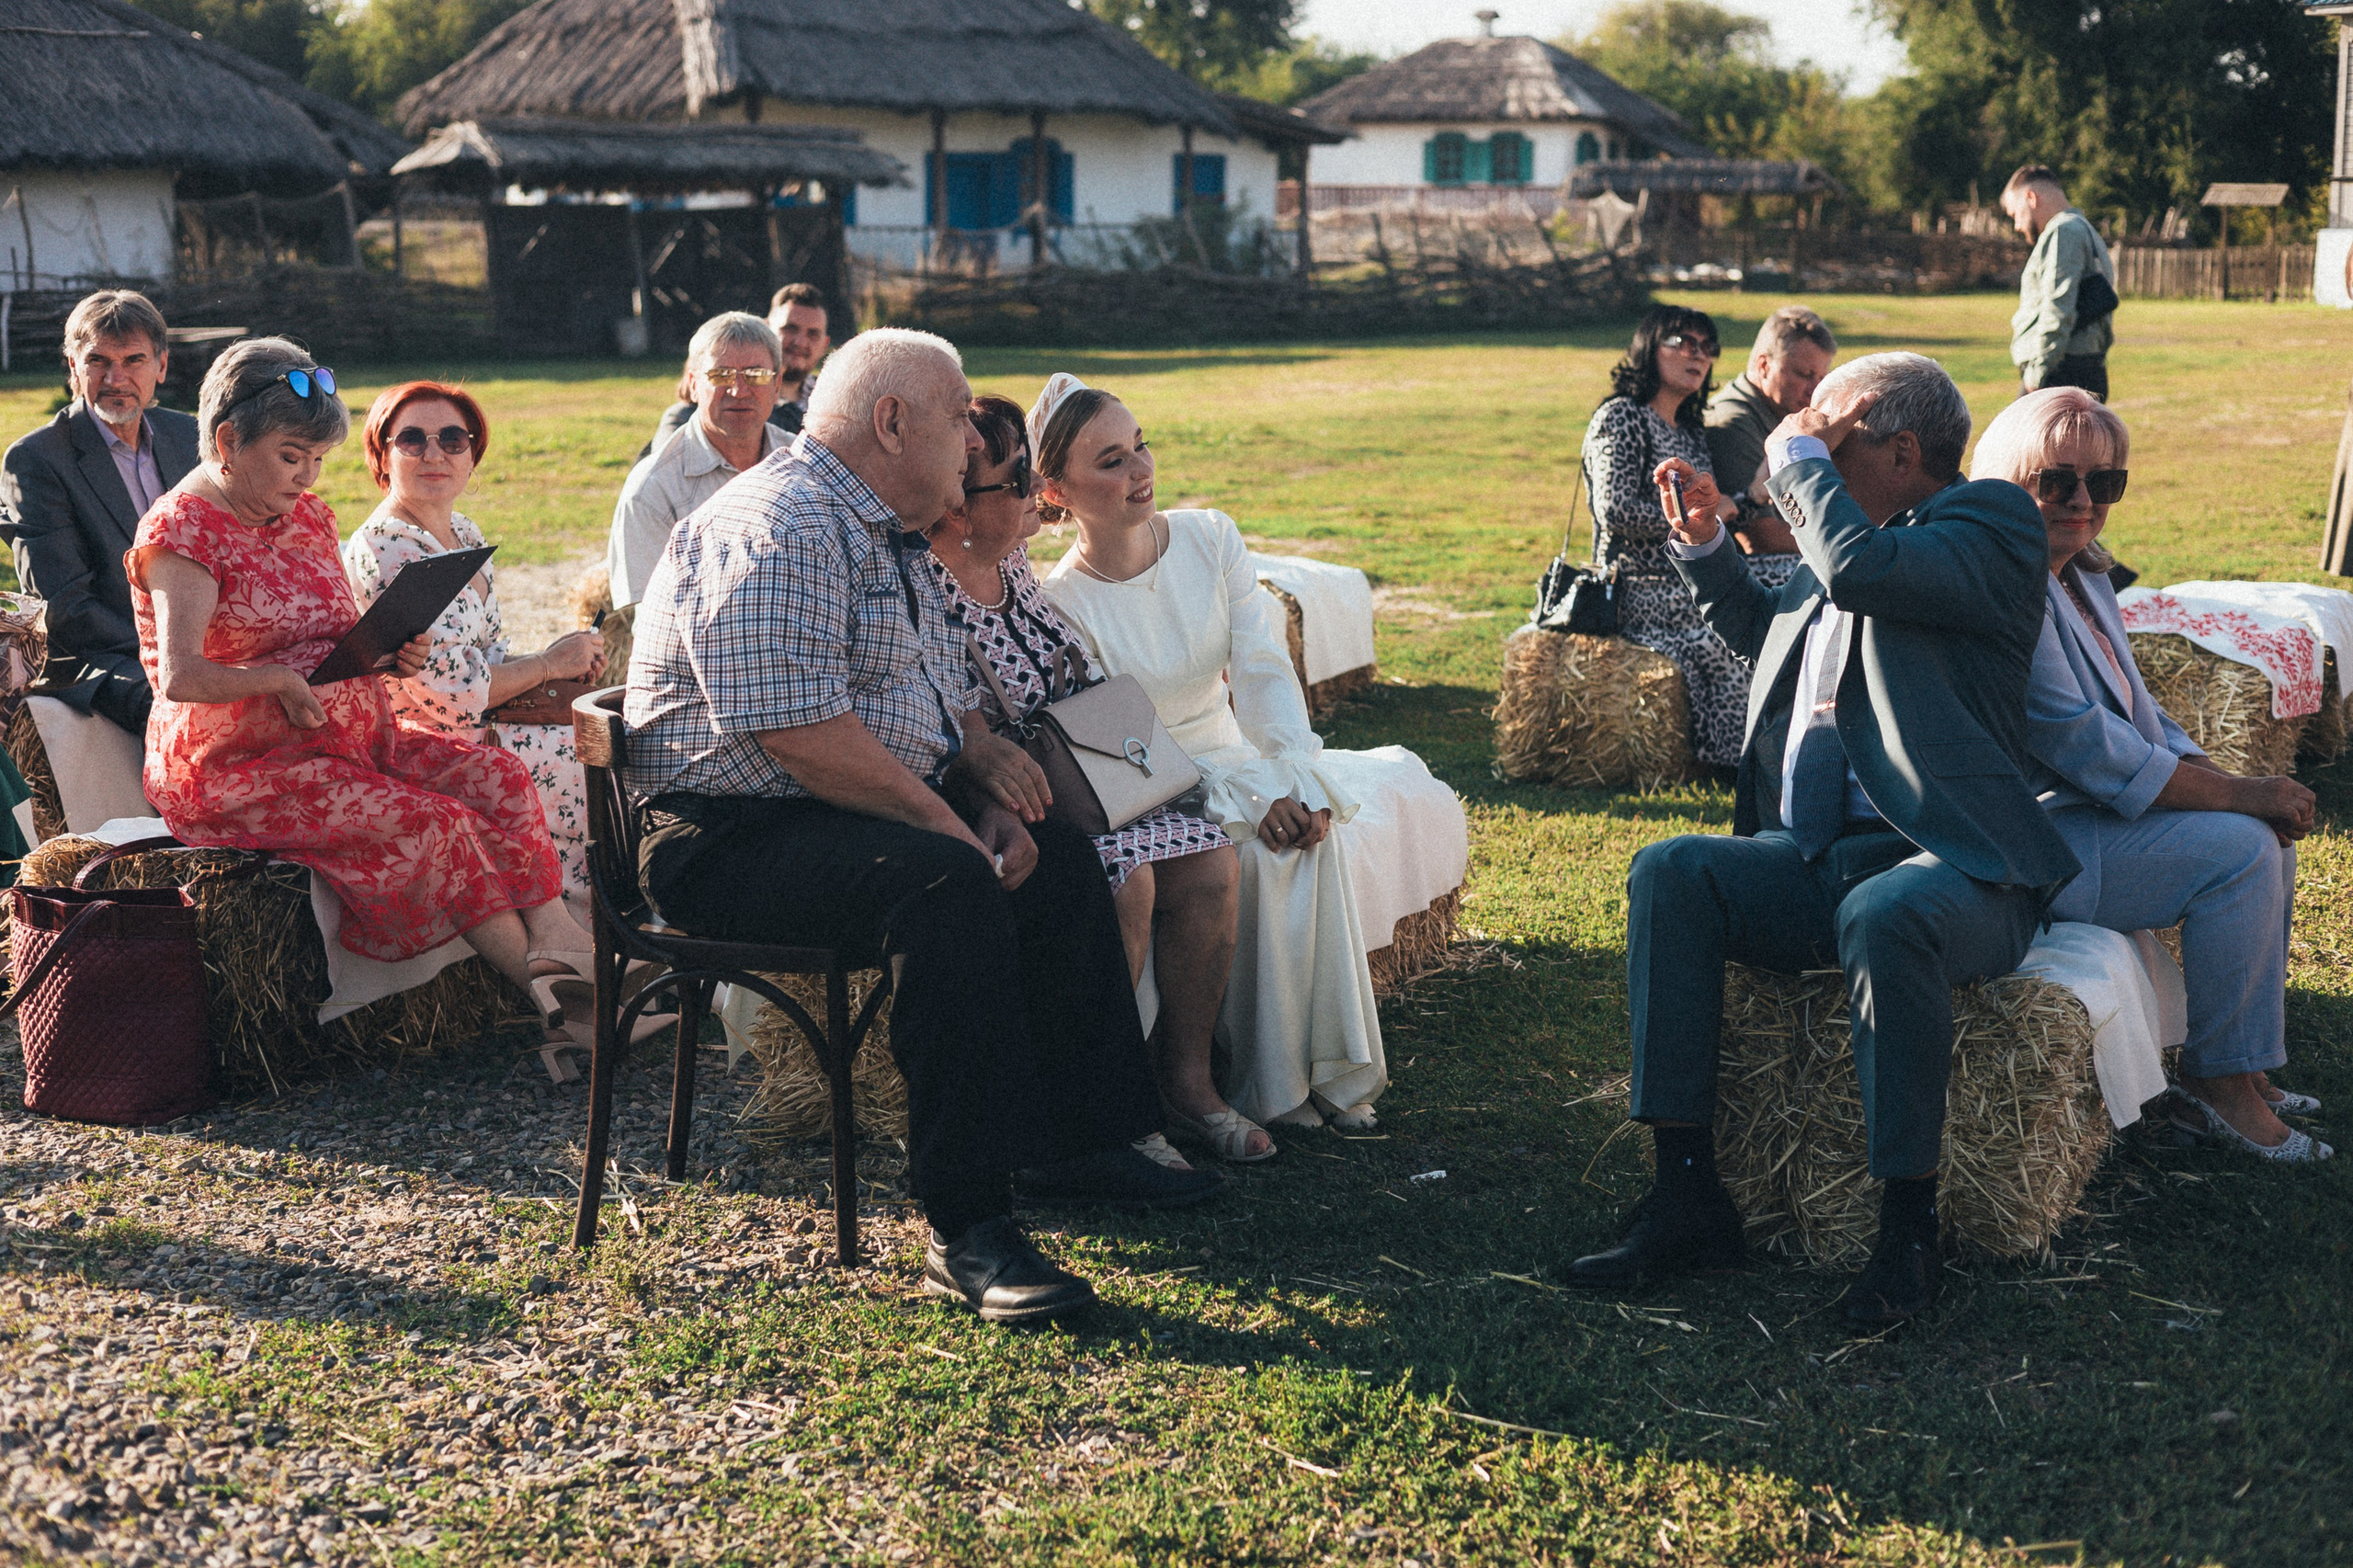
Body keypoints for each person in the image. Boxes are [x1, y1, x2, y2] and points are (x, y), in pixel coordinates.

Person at [625, 327, 1222, 1325]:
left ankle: (1079, 1140)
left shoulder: (887, 533)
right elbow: (797, 730)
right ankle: (968, 1225)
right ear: (891, 420)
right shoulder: (783, 522)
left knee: (1062, 858)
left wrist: (987, 799)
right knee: (946, 886)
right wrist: (949, 827)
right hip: (727, 834)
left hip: (837, 807)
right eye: (958, 417)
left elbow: (941, 710)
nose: (974, 443)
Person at [1569, 352, 2081, 1327]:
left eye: (1825, 427)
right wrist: (1712, 544)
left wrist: (1792, 456)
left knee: (1884, 911)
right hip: (1812, 853)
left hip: (1953, 862)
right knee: (1671, 869)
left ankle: (1906, 1235)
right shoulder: (1849, 541)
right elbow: (1773, 630)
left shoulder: (1987, 523)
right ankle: (1686, 1195)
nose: (1800, 434)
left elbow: (1857, 571)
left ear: (1899, 449)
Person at [127, 339, 597, 1071]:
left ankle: (572, 953)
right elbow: (180, 677)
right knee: (437, 822)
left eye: (317, 459)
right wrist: (279, 682)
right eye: (291, 456)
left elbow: (322, 636)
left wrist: (385, 653)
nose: (308, 476)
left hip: (350, 736)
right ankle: (566, 1011)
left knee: (497, 779)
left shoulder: (308, 515)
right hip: (240, 764)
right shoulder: (182, 532)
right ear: (227, 441)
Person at [1036, 373, 1470, 1148]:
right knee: (1255, 853)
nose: (1139, 471)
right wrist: (1239, 805)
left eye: (1141, 446)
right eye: (1109, 461)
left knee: (1305, 839)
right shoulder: (1061, 603)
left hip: (1235, 752)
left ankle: (1297, 1076)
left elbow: (1264, 669)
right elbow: (1127, 746)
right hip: (1155, 785)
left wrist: (1285, 777)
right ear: (1056, 489)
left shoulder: (1210, 537)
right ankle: (1202, 1084)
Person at [1970, 389, 2329, 1161]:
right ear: (2005, 482)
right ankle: (2219, 1085)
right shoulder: (2009, 591)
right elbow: (2086, 746)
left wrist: (2215, 775)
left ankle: (2245, 1064)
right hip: (2041, 840)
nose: (2082, 501)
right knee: (2239, 850)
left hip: (2091, 816)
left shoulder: (2083, 575)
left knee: (2261, 835)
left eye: (2105, 484)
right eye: (2055, 480)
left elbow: (2141, 709)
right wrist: (2239, 792)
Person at [926, 394, 1254, 1164]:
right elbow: (937, 718)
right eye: (1016, 480)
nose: (1034, 488)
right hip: (1012, 798)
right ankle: (1114, 1109)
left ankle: (1188, 1082)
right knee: (1129, 878)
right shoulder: (928, 586)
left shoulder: (1010, 563)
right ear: (964, 505)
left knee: (1210, 860)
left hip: (1084, 773)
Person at [343, 381, 608, 915]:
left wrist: (561, 655)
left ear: (472, 454)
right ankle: (585, 924)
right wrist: (550, 664)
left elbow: (484, 657)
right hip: (432, 745)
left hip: (484, 722)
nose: (434, 453)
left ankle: (615, 911)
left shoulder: (462, 531)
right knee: (587, 761)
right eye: (412, 439)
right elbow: (458, 695)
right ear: (382, 454)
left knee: (615, 730)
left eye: (453, 439)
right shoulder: (390, 548)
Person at [0, 290, 199, 735]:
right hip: (102, 658)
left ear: (161, 366)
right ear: (73, 366)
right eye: (98, 361)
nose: (115, 378)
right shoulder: (36, 459)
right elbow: (66, 607)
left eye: (133, 360)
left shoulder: (188, 437)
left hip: (198, 646)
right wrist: (173, 650)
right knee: (190, 713)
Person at [1586, 304, 1758, 769]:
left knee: (1785, 588)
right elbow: (1615, 510)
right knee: (1734, 634)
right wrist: (1685, 520)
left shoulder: (1689, 432)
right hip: (1638, 585)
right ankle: (1734, 761)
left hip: (1687, 576)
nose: (1698, 355)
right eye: (1683, 342)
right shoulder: (1622, 418)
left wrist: (1754, 496)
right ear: (1649, 349)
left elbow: (1711, 517)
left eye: (1707, 348)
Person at [606, 312, 790, 611]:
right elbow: (645, 619)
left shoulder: (803, 464)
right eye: (721, 375)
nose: (739, 391)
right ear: (693, 384)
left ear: (777, 384)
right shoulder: (653, 489)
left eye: (756, 375)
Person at [1704, 304, 1837, 588]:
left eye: (1822, 378)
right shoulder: (1732, 424)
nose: (1815, 390)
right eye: (1804, 374)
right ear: (1764, 366)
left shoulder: (1782, 413)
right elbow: (1758, 537)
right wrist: (1846, 543)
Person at [645, 283, 833, 453]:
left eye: (813, 334)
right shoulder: (701, 411)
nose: (800, 342)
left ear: (825, 345)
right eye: (789, 329)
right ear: (765, 329)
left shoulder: (835, 403)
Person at [2003, 165, 2117, 401]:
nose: (2017, 226)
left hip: (2059, 372)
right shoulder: (2085, 229)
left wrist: (2038, 373)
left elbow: (2058, 308)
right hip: (2078, 368)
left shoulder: (2063, 231)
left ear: (2031, 197)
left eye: (2015, 215)